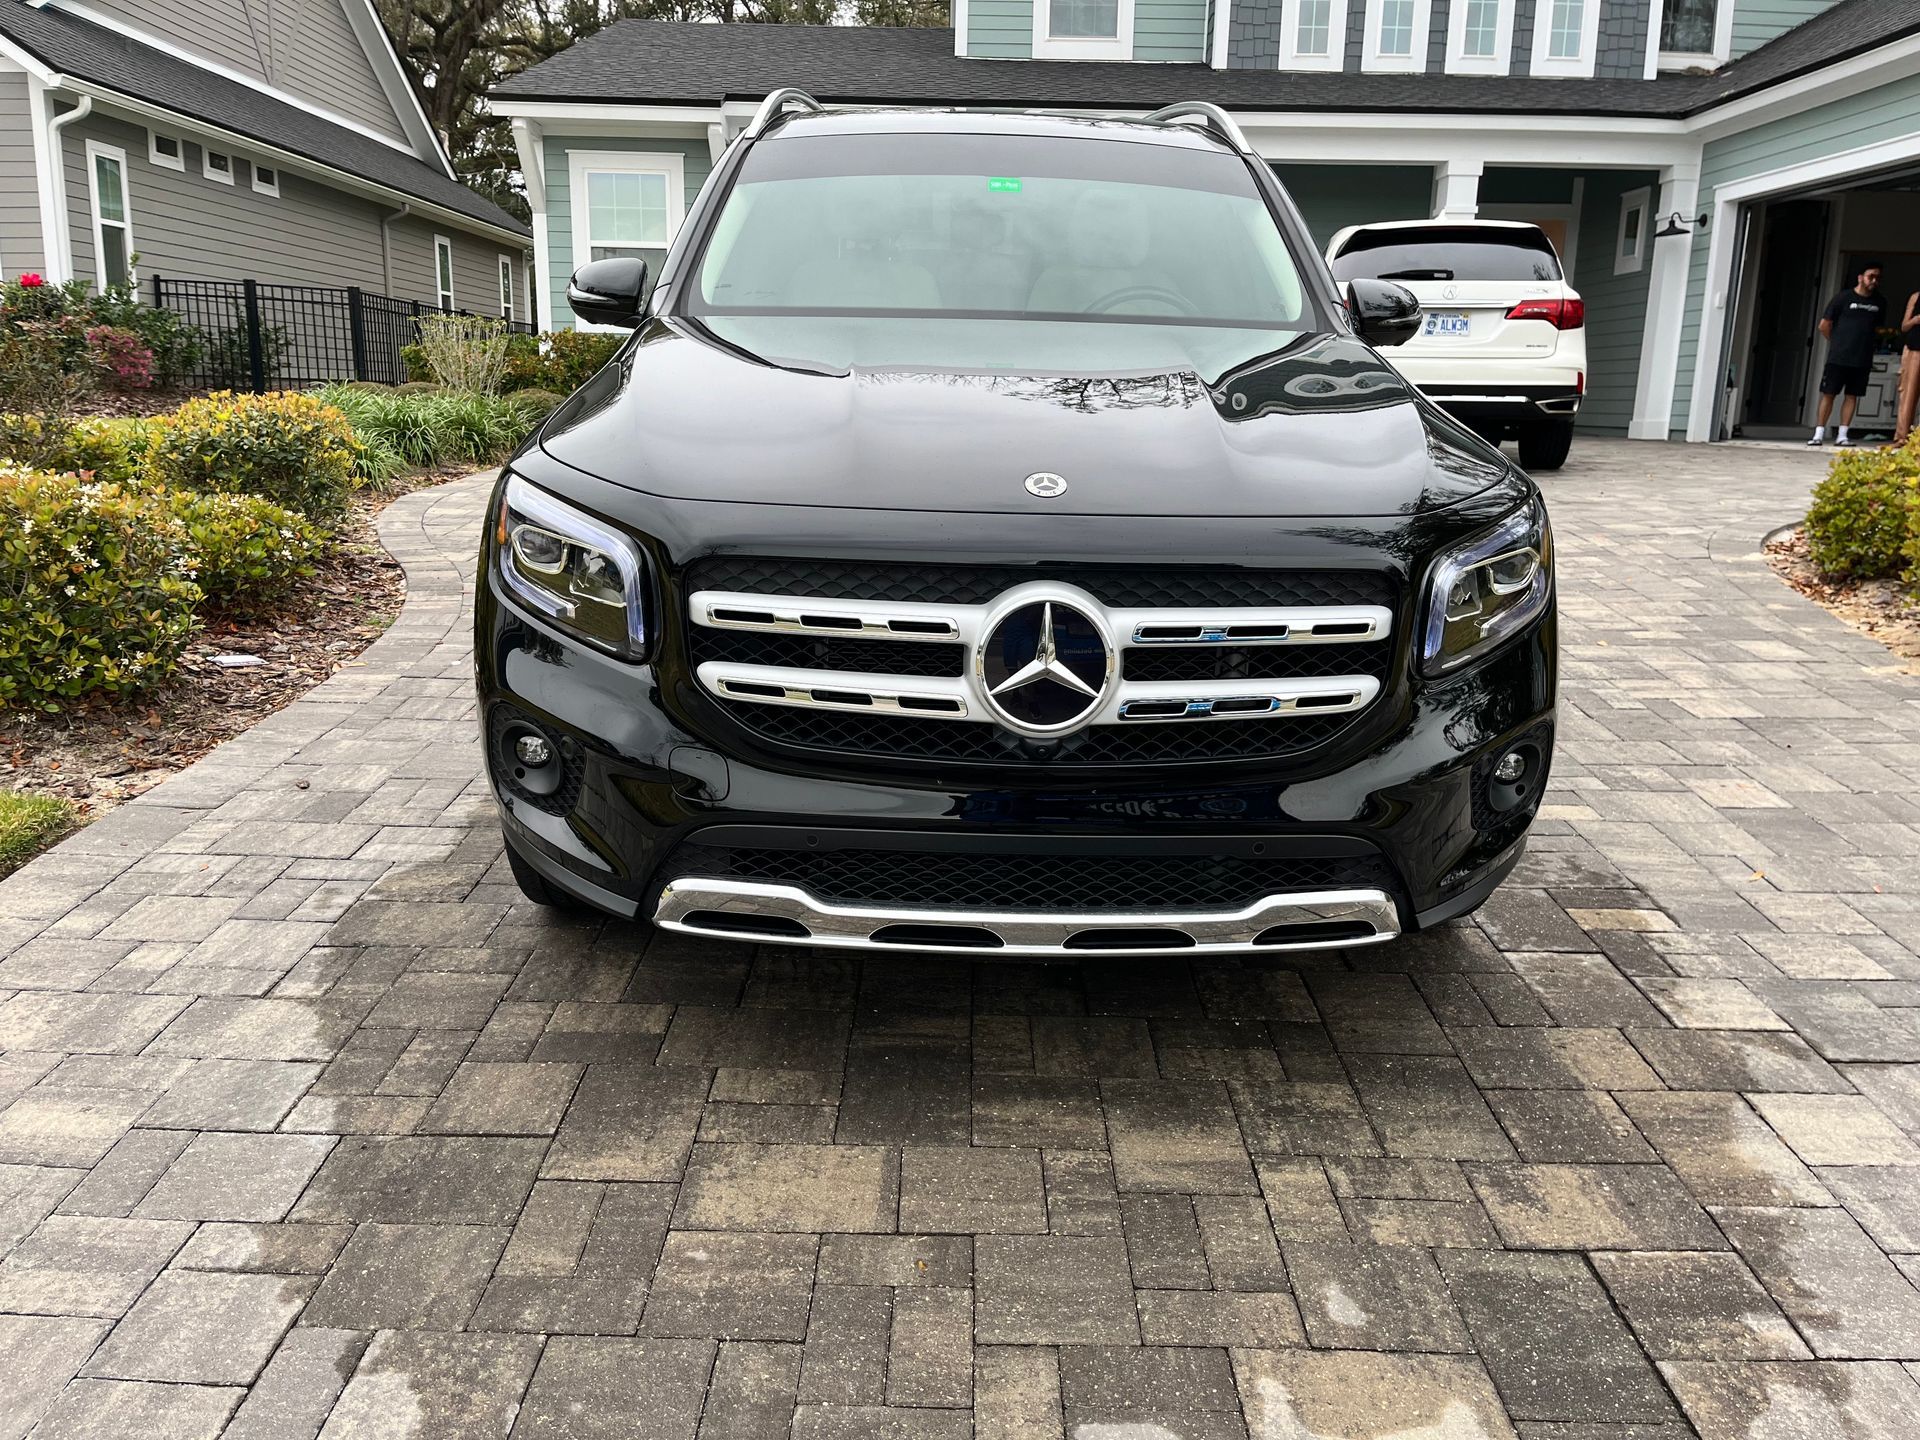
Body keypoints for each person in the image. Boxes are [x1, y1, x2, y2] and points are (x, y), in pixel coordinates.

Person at [1809, 262, 1885, 447]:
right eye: (1870, 276)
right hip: (1839, 356)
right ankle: (1818, 433)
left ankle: (1843, 435)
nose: (1874, 281)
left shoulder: (1880, 302)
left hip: (1862, 358)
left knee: (1852, 395)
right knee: (1829, 393)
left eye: (1877, 278)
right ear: (1860, 277)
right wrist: (1836, 343)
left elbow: (1879, 328)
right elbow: (1824, 325)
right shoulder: (1843, 298)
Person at [1896, 287, 1920, 446]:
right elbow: (1904, 326)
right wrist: (1915, 320)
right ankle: (1902, 437)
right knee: (1908, 394)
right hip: (1914, 349)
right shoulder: (1916, 297)